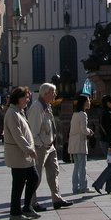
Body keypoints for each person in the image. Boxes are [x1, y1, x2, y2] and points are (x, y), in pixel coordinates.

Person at [28, 82, 72, 211]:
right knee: (37, 176)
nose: (55, 95)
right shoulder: (37, 108)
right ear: (45, 93)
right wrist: (41, 145)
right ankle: (32, 202)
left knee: (54, 172)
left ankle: (56, 199)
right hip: (40, 147)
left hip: (50, 146)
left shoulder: (47, 106)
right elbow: (33, 131)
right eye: (53, 92)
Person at [3, 86, 40, 220]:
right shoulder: (12, 113)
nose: (27, 99)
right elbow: (17, 135)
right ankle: (15, 213)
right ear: (18, 98)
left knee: (33, 178)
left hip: (24, 155)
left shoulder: (19, 111)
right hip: (18, 155)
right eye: (25, 97)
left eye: (28, 97)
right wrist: (29, 149)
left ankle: (26, 208)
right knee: (18, 184)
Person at [93, 94, 111, 194]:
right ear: (108, 103)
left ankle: (109, 188)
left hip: (106, 141)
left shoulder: (106, 113)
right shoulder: (107, 114)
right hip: (107, 142)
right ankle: (98, 184)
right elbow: (109, 131)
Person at [68, 94, 93, 193]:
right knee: (82, 166)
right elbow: (83, 130)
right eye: (88, 101)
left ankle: (75, 187)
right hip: (80, 142)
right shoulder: (83, 114)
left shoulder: (75, 114)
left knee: (77, 166)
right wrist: (89, 131)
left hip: (73, 143)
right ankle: (83, 186)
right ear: (84, 103)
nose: (89, 102)